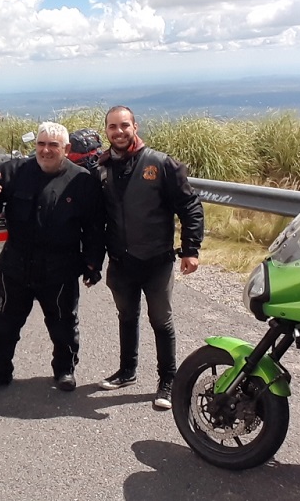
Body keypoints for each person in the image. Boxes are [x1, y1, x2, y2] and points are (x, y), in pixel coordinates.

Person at [0, 122, 105, 393]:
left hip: (60, 268)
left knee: (64, 326)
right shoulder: (13, 171)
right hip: (16, 265)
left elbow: (94, 226)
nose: (45, 150)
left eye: (53, 145)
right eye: (41, 144)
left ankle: (64, 371)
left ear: (66, 149)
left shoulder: (82, 181)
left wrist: (93, 262)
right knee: (4, 325)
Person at [94, 106, 204, 411]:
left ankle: (168, 381)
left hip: (157, 260)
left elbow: (190, 206)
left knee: (161, 320)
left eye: (124, 125)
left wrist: (191, 249)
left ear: (135, 126)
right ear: (106, 131)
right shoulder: (101, 168)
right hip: (120, 261)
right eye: (113, 127)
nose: (119, 131)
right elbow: (93, 218)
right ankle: (127, 371)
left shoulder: (161, 163)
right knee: (127, 317)